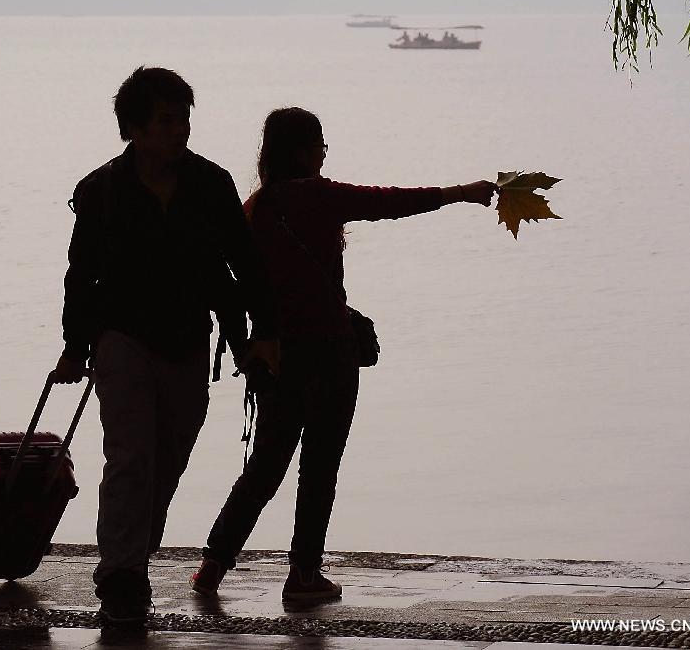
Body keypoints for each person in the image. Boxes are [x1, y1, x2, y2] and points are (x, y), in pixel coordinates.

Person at [190, 107, 496, 601]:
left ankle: (213, 566)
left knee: (265, 466)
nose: (325, 155)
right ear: (303, 151)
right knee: (319, 467)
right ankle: (303, 576)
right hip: (329, 353)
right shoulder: (320, 195)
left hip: (275, 355)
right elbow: (392, 202)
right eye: (321, 146)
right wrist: (461, 193)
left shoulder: (255, 208)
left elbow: (239, 281)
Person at [54, 66, 279, 623]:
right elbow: (80, 275)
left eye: (183, 119)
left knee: (171, 454)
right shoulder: (101, 190)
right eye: (166, 120)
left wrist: (261, 333)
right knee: (130, 453)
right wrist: (74, 347)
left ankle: (132, 552)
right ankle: (122, 573)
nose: (179, 130)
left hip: (188, 337)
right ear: (134, 127)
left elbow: (244, 264)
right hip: (121, 336)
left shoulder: (211, 184)